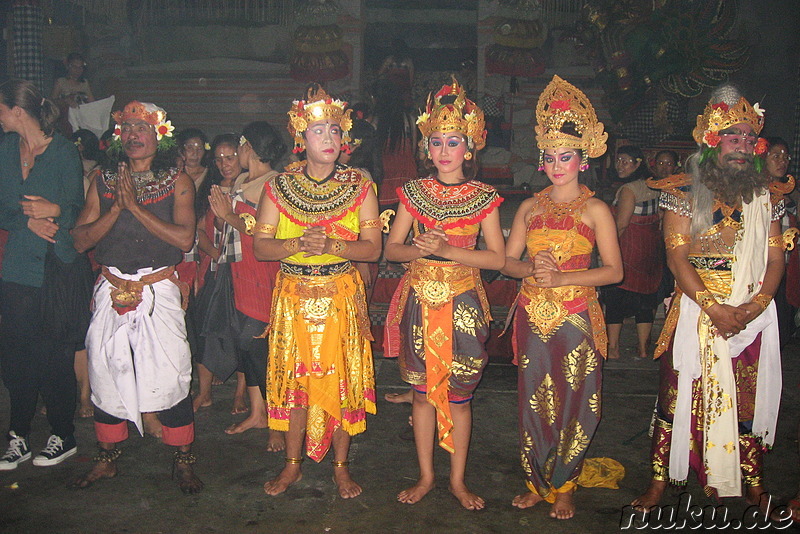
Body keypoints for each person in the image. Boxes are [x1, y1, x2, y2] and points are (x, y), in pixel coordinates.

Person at [632, 86, 786, 512]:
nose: (742, 147)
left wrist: (753, 308)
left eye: (749, 139)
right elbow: (676, 256)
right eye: (733, 137)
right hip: (697, 311)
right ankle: (661, 480)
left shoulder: (768, 196)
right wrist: (714, 308)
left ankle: (751, 479)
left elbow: (775, 259)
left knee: (746, 397)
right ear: (712, 141)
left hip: (750, 313)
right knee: (677, 394)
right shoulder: (682, 191)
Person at [502, 75, 622, 519]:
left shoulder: (595, 209)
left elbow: (615, 271)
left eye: (565, 157)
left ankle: (566, 483)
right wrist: (533, 270)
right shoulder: (530, 208)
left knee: (577, 400)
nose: (557, 166)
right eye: (550, 158)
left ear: (582, 159)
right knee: (534, 400)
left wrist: (566, 279)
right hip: (533, 315)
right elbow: (506, 262)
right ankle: (536, 480)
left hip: (576, 317)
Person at [384, 77, 505, 510]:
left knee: (459, 396)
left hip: (464, 306)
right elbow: (391, 248)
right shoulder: (413, 194)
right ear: (427, 148)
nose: (444, 150)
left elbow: (498, 259)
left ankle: (457, 479)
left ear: (469, 148)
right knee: (420, 393)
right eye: (436, 142)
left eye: (453, 141)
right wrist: (417, 248)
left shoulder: (484, 197)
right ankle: (426, 474)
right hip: (420, 301)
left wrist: (449, 249)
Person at [254, 84, 381, 498]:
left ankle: (341, 467)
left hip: (339, 295)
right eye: (318, 131)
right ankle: (291, 466)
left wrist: (331, 245)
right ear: (300, 139)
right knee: (296, 384)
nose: (328, 139)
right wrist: (296, 245)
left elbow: (373, 248)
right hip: (293, 297)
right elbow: (260, 245)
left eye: (334, 130)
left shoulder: (360, 185)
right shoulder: (278, 187)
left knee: (341, 381)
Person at [71, 101, 203, 493]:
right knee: (105, 371)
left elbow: (184, 239)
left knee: (172, 373)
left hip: (157, 289)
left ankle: (183, 460)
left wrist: (135, 208)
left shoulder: (178, 181)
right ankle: (107, 458)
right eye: (126, 128)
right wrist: (117, 209)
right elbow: (80, 240)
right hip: (111, 287)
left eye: (141, 129)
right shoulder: (102, 179)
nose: (132, 135)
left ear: (158, 137)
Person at [0, 78, 87, 470]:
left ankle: (61, 433)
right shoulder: (4, 150)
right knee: (17, 354)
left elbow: (77, 211)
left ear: (18, 112)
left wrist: (53, 212)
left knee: (55, 354)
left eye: (1, 109)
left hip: (56, 268)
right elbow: (3, 209)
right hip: (18, 266)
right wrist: (25, 220)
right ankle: (18, 435)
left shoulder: (64, 152)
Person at [205, 122, 286, 453]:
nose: (235, 154)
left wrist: (230, 215)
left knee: (258, 345)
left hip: (262, 272)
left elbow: (270, 234)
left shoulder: (275, 186)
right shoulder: (242, 182)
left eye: (238, 147)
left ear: (249, 147)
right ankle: (258, 413)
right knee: (245, 344)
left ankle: (279, 421)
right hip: (238, 272)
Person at [192, 133, 248, 415]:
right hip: (215, 270)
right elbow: (199, 229)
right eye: (219, 159)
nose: (225, 164)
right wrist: (215, 254)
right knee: (204, 327)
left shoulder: (250, 187)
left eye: (230, 157)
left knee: (240, 332)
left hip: (243, 273)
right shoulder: (210, 189)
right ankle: (204, 393)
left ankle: (240, 393)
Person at [604, 144, 663, 359]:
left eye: (626, 161)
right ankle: (643, 347)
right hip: (650, 252)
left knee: (615, 297)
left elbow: (621, 224)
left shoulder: (629, 189)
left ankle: (613, 348)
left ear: (638, 163)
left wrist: (607, 250)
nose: (620, 165)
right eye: (618, 160)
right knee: (644, 300)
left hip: (630, 250)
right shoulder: (654, 185)